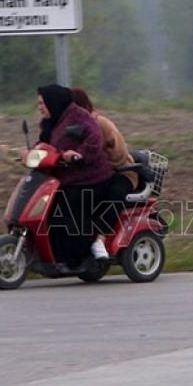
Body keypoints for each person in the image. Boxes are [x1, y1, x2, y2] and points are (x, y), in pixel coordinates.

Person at [37, 85, 113, 268]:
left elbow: (95, 139)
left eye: (41, 103)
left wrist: (79, 153)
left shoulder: (79, 116)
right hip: (65, 178)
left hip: (90, 178)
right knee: (47, 207)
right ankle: (58, 255)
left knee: (65, 207)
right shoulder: (51, 122)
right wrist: (30, 153)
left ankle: (83, 254)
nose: (39, 107)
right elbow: (43, 143)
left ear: (52, 102)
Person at [71, 88, 138, 260]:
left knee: (113, 194)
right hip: (96, 174)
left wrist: (97, 163)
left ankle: (99, 239)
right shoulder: (72, 126)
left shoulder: (99, 124)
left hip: (123, 171)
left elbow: (120, 153)